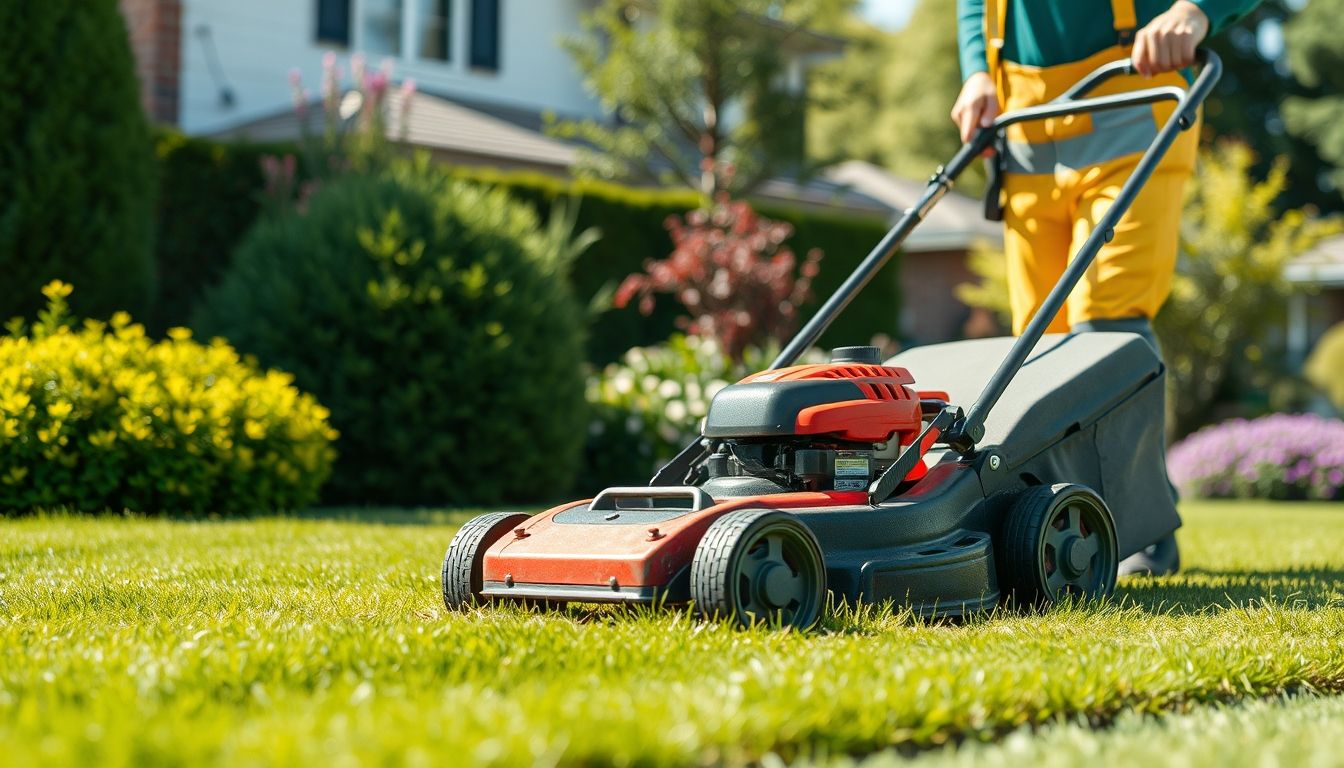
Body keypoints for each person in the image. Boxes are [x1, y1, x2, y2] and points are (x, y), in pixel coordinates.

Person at [951, 0, 1260, 576]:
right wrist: (976, 70)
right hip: (1022, 115)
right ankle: (1054, 524)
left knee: (1106, 315)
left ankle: (1137, 526)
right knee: (1041, 339)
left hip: (1132, 90)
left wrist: (1197, 12)